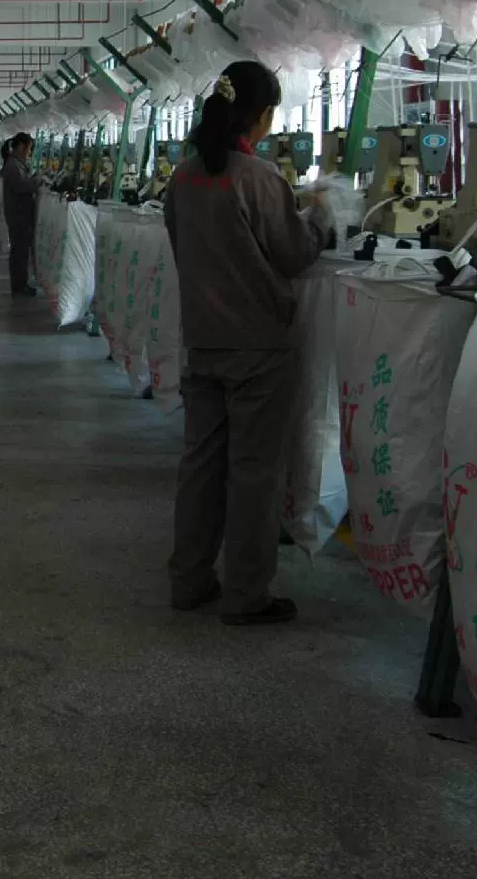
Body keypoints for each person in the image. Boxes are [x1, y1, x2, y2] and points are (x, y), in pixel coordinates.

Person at [164, 61, 332, 626]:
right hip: (258, 347)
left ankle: (189, 580)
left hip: (203, 342)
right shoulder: (259, 179)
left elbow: (182, 246)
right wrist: (321, 218)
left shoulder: (183, 179)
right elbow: (293, 253)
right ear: (261, 116)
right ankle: (245, 593)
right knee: (254, 472)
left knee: (200, 466)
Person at [2, 132, 40, 296]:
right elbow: (22, 186)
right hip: (19, 215)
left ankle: (20, 283)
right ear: (21, 147)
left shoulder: (16, 164)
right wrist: (38, 180)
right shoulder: (13, 166)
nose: (30, 153)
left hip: (20, 213)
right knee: (19, 251)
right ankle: (19, 286)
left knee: (21, 250)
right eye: (29, 149)